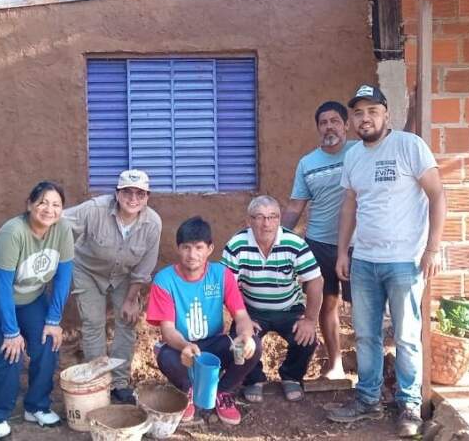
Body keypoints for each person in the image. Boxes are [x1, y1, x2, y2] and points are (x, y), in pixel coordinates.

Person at [326, 85, 445, 438]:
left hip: (405, 261)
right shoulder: (353, 156)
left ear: (386, 114)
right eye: (359, 113)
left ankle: (408, 404)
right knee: (366, 335)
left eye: (372, 111)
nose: (365, 118)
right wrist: (343, 251)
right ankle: (367, 399)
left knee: (407, 336)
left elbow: (438, 195)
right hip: (364, 261)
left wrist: (433, 249)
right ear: (352, 119)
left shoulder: (409, 146)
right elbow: (349, 205)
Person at [0, 181, 74, 440]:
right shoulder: (13, 232)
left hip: (30, 297)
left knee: (47, 344)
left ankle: (36, 406)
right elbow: (2, 287)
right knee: (9, 352)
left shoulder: (63, 230)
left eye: (56, 204)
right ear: (29, 205)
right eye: (43, 203)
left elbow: (63, 276)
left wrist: (54, 319)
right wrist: (11, 331)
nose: (49, 209)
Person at [147, 216, 262, 426]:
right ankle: (188, 391)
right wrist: (185, 345)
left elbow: (241, 315)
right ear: (178, 248)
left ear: (210, 248)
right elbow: (168, 330)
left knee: (254, 344)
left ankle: (223, 392)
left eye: (199, 247)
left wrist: (246, 336)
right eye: (186, 247)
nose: (192, 255)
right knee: (165, 356)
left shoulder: (221, 274)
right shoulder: (164, 280)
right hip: (180, 346)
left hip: (214, 344)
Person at [64, 169, 162, 403]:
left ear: (147, 197)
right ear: (117, 194)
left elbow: (143, 268)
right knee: (93, 322)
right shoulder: (94, 210)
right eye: (127, 192)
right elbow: (59, 222)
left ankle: (119, 383)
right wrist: (61, 256)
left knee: (127, 321)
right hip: (87, 270)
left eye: (140, 193)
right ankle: (99, 382)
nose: (133, 199)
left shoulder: (152, 224)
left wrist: (131, 300)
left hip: (125, 275)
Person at [221, 195, 323, 403]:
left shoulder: (294, 243)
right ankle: (253, 379)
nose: (266, 224)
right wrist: (243, 318)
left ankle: (292, 376)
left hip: (289, 309)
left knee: (307, 338)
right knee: (239, 342)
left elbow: (315, 281)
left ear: (279, 219)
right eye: (259, 217)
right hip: (251, 310)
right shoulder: (236, 244)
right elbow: (228, 287)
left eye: (272, 217)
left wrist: (310, 320)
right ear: (249, 221)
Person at [282, 100, 357, 380]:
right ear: (317, 128)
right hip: (319, 245)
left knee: (363, 307)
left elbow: (395, 141)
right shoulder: (308, 163)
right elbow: (294, 207)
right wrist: (279, 238)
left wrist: (411, 112)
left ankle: (369, 367)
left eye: (335, 121)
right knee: (327, 305)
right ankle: (335, 363)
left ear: (346, 125)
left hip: (356, 246)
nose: (329, 127)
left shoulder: (359, 152)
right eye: (323, 122)